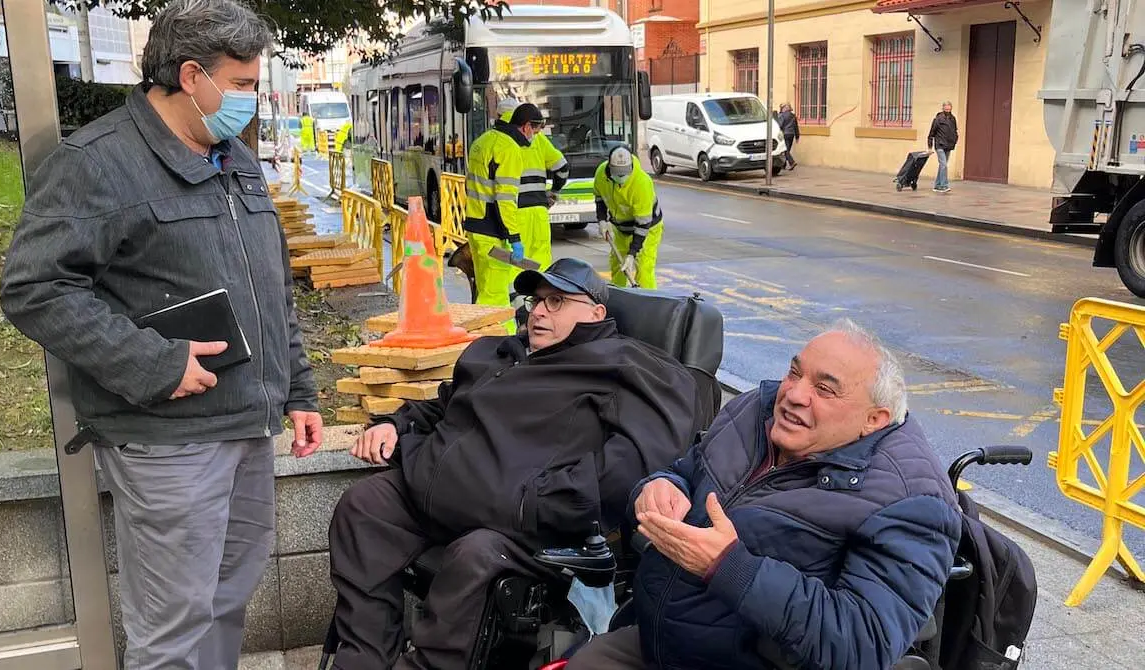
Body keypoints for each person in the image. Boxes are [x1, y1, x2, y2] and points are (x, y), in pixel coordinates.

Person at [0, 1, 323, 668]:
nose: (251, 99)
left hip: (248, 427)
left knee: (227, 602)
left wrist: (299, 389)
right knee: (172, 631)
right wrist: (154, 362)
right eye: (241, 84)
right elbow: (35, 288)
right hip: (170, 442)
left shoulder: (236, 159)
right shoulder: (97, 163)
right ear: (190, 75)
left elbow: (271, 287)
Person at [328, 258, 699, 670]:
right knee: (362, 507)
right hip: (437, 490)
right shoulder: (505, 354)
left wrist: (535, 504)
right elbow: (446, 405)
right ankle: (363, 659)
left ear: (596, 313)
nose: (538, 311)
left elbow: (634, 464)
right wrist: (396, 425)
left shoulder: (622, 366)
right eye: (536, 300)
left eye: (556, 301)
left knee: (476, 557)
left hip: (518, 523)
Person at [568, 319, 963, 670]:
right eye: (795, 373)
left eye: (824, 389)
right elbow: (687, 469)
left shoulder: (912, 503)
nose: (792, 394)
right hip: (660, 638)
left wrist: (728, 565)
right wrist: (659, 486)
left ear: (873, 420)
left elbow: (864, 642)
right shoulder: (753, 413)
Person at [462, 102, 543, 319]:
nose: (535, 136)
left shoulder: (484, 140)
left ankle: (483, 339)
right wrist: (514, 237)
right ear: (526, 127)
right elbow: (505, 199)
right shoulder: (509, 149)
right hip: (491, 230)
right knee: (495, 297)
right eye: (536, 130)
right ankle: (497, 343)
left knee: (485, 288)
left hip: (476, 224)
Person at [497, 98, 570, 269]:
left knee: (516, 263)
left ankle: (518, 295)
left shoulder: (501, 138)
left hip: (515, 211)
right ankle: (541, 294)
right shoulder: (539, 139)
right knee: (541, 260)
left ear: (499, 115)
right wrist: (554, 192)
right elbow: (562, 168)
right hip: (539, 211)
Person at [593, 145, 664, 289]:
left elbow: (643, 225)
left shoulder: (642, 183)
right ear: (610, 167)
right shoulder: (601, 173)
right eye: (617, 173)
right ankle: (618, 297)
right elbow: (600, 198)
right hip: (620, 227)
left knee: (643, 267)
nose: (621, 178)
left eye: (624, 173)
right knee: (618, 265)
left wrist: (632, 254)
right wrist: (602, 221)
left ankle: (648, 303)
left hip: (647, 228)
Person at [928, 101, 959, 193]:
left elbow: (955, 130)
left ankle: (937, 185)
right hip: (940, 145)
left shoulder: (953, 119)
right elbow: (931, 134)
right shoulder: (938, 119)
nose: (948, 111)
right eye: (946, 109)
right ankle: (944, 185)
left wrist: (955, 140)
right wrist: (930, 147)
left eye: (949, 109)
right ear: (943, 108)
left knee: (942, 166)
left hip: (949, 145)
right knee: (944, 165)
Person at [776, 102, 800, 170]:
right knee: (787, 149)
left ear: (784, 108)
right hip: (791, 134)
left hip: (785, 134)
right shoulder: (793, 116)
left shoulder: (782, 115)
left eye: (781, 108)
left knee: (785, 150)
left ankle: (792, 162)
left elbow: (780, 125)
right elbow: (796, 126)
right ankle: (783, 164)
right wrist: (797, 136)